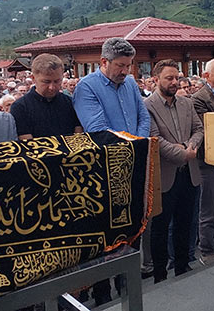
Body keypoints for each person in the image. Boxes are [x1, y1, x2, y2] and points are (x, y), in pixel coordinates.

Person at [71, 38, 150, 304]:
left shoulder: (130, 84)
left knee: (133, 229)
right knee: (104, 238)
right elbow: (98, 130)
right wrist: (133, 148)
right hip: (104, 174)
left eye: (129, 65)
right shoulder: (87, 87)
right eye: (120, 66)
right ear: (103, 62)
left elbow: (143, 116)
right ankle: (103, 296)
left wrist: (138, 146)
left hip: (134, 168)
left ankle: (129, 288)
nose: (126, 71)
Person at [144, 59, 204, 283]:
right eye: (169, 78)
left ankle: (182, 266)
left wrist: (190, 146)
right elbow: (155, 139)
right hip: (165, 175)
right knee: (160, 227)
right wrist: (182, 154)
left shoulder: (186, 103)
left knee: (185, 222)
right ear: (155, 79)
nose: (174, 82)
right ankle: (160, 274)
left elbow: (199, 129)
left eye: (176, 78)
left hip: (189, 174)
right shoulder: (147, 106)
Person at [191, 58, 214, 265]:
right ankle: (207, 250)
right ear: (207, 76)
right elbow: (207, 129)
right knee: (209, 209)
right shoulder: (199, 99)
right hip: (209, 160)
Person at [10, 53, 83, 140]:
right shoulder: (20, 107)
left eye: (57, 81)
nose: (52, 87)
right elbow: (27, 142)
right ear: (33, 78)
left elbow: (78, 136)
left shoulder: (70, 103)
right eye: (46, 82)